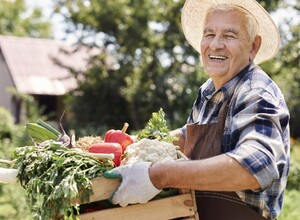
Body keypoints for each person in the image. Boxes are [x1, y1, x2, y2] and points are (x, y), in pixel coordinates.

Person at [104, 0, 290, 219]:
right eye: (209, 34)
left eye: (229, 36)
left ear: (253, 46)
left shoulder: (256, 92)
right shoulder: (209, 90)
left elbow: (257, 165)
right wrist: (137, 144)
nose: (216, 44)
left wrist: (157, 175)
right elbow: (189, 136)